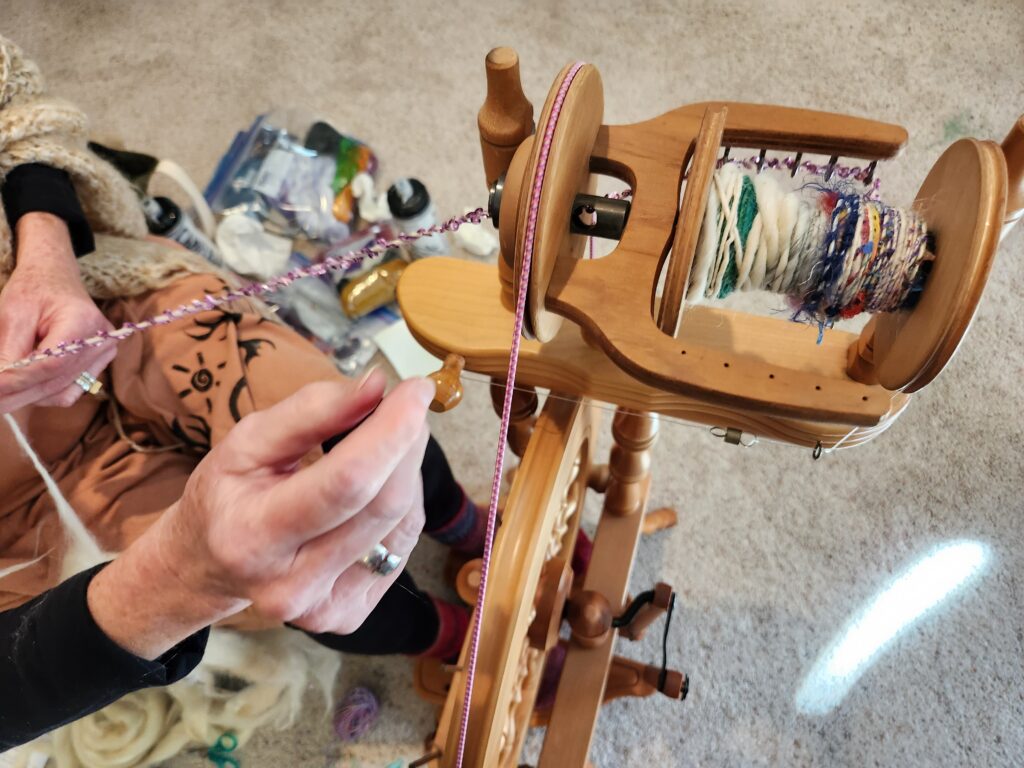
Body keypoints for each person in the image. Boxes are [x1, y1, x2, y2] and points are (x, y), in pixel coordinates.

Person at [0, 35, 484, 750]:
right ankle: (448, 639)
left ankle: (464, 524)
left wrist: (44, 252)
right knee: (297, 557)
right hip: (22, 516)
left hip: (102, 305)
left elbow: (13, 106)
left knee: (357, 432)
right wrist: (172, 579)